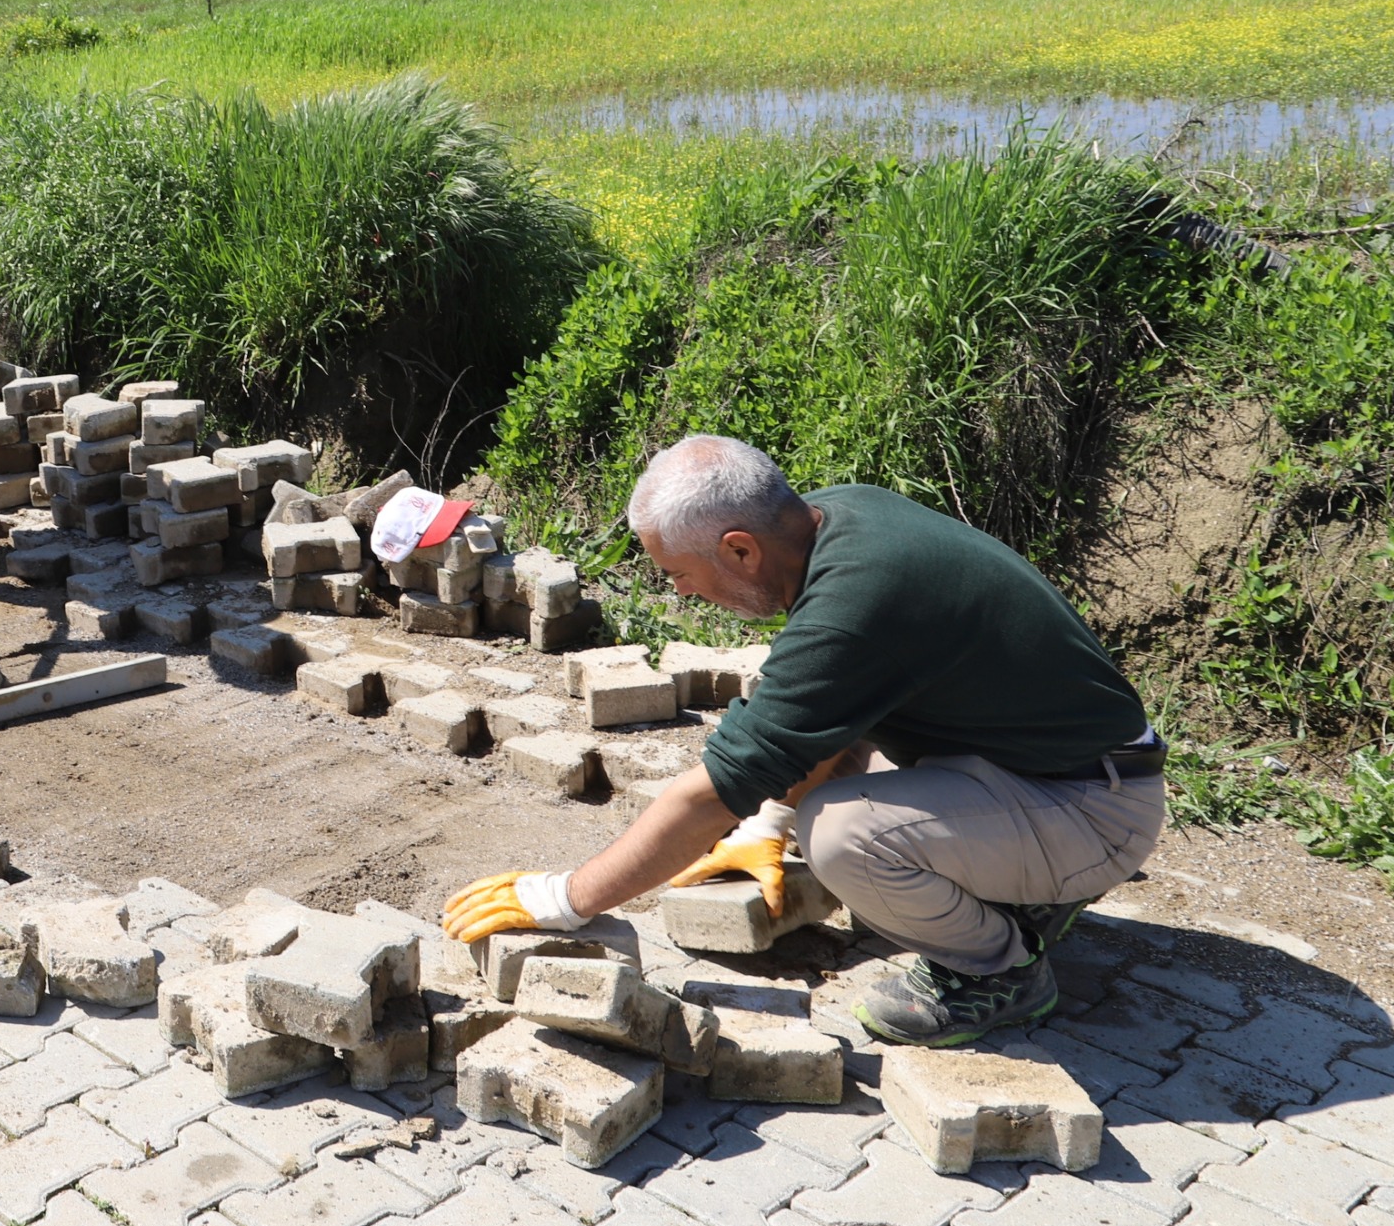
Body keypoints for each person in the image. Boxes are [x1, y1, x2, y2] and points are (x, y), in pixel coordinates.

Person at [443, 435, 1164, 1046]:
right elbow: (828, 714)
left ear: (740, 549)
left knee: (845, 835)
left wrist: (566, 898)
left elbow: (706, 796)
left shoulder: (857, 604)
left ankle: (997, 968)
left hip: (1095, 807)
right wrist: (768, 825)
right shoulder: (839, 518)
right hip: (1050, 770)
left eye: (681, 575)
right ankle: (1022, 889)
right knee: (811, 750)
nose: (685, 594)